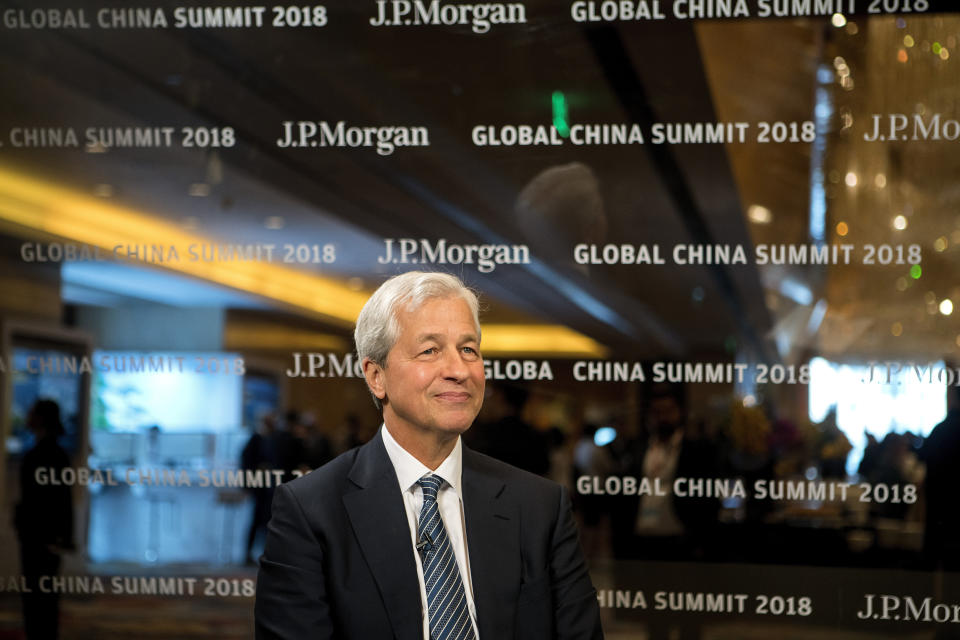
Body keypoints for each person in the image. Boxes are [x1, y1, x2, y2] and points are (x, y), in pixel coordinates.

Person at [255, 271, 602, 640]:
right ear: (376, 376)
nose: (458, 370)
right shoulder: (311, 511)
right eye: (430, 350)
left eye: (468, 349)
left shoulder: (540, 507)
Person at [15, 399, 74, 640]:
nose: (26, 417)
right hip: (42, 535)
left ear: (41, 418)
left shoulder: (45, 454)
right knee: (42, 597)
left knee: (40, 598)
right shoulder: (49, 452)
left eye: (31, 413)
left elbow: (61, 499)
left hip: (40, 536)